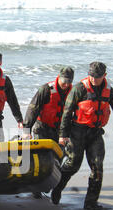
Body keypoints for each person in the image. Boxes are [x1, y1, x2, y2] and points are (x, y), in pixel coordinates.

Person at [51, 62, 113, 210]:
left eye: (97, 77)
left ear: (104, 76)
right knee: (73, 165)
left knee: (97, 168)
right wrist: (63, 135)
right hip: (77, 132)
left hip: (95, 133)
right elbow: (66, 113)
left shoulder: (109, 91)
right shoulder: (79, 88)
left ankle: (91, 202)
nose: (93, 79)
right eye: (91, 75)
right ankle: (57, 188)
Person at [22, 66, 74, 199]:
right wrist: (26, 130)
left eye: (69, 82)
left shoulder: (74, 92)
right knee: (40, 159)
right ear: (59, 77)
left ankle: (48, 184)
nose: (66, 84)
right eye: (64, 81)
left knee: (58, 158)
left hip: (60, 131)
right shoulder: (46, 90)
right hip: (42, 128)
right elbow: (32, 109)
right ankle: (35, 188)